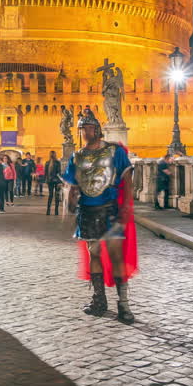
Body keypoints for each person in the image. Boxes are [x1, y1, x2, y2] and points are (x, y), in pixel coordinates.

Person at [63, 108, 138, 324]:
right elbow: (72, 183)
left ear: (97, 129)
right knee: (94, 253)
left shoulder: (115, 152)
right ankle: (99, 300)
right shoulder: (77, 156)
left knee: (116, 256)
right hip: (87, 211)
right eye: (81, 129)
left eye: (87, 128)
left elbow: (127, 177)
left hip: (109, 209)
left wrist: (126, 205)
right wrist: (70, 199)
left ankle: (123, 305)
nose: (84, 132)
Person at [44, 150, 64, 215]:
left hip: (50, 181)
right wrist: (61, 181)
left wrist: (46, 180)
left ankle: (48, 211)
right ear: (55, 155)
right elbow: (59, 173)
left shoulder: (47, 163)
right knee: (57, 196)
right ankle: (56, 211)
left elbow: (45, 173)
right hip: (57, 181)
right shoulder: (58, 163)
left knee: (50, 195)